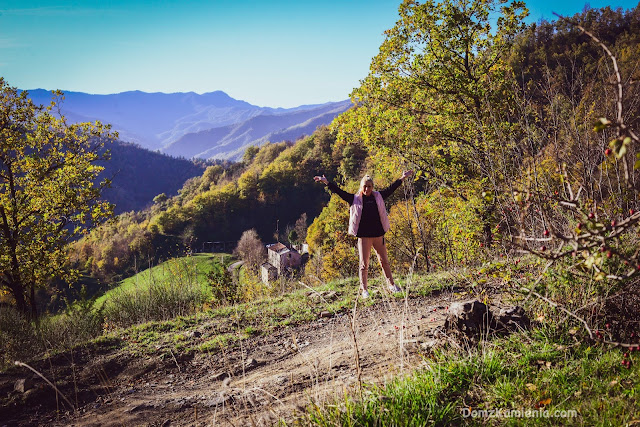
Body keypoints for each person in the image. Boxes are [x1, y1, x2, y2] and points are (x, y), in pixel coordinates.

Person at [314, 170, 413, 298]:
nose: (367, 189)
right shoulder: (355, 199)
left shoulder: (378, 196)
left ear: (372, 187)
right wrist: (326, 182)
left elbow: (391, 188)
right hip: (364, 237)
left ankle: (391, 285)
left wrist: (402, 178)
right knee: (364, 264)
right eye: (365, 186)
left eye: (369, 186)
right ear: (361, 187)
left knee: (384, 261)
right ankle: (364, 290)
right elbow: (339, 192)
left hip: (378, 235)